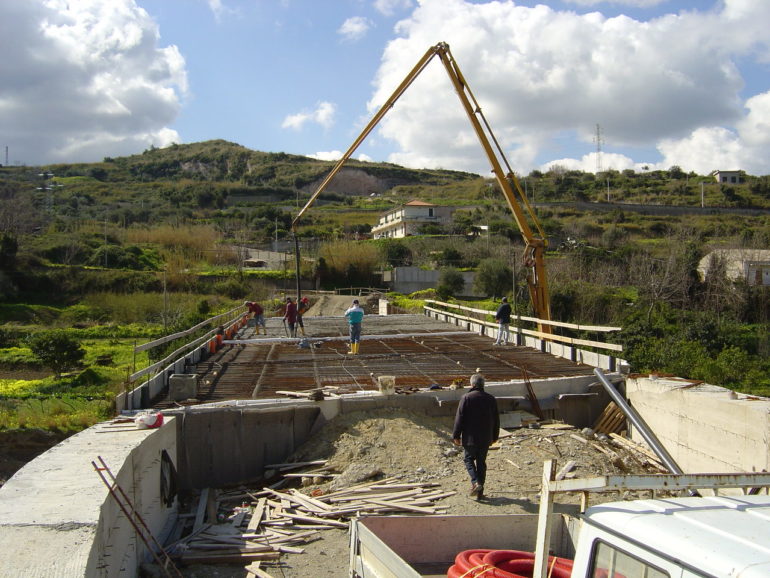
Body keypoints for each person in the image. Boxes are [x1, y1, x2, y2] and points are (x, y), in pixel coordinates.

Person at [452, 373, 500, 500]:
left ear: (472, 384)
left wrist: (456, 435)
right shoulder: (491, 399)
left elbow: (459, 418)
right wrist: (495, 436)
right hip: (485, 438)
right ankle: (480, 492)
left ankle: (475, 482)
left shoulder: (466, 398)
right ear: (483, 385)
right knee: (481, 463)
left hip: (470, 438)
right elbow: (496, 419)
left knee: (468, 460)